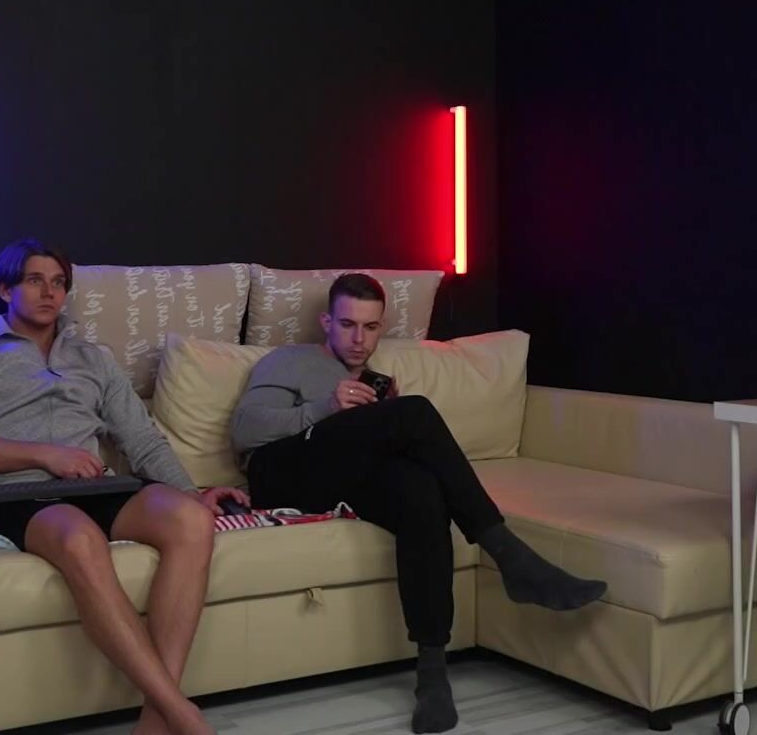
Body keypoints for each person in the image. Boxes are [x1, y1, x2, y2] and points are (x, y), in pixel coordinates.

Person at [230, 273, 606, 734]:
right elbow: (245, 431)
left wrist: (378, 422)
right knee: (415, 412)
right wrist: (325, 408)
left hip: (342, 478)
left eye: (370, 327)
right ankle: (511, 556)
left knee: (421, 492)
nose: (359, 339)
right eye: (347, 324)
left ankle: (432, 674)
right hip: (280, 473)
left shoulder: (373, 379)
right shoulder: (288, 360)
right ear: (327, 321)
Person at [0, 239, 247, 735]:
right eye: (35, 281)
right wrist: (46, 455)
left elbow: (141, 438)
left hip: (97, 489)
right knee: (79, 536)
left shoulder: (92, 358)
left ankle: (156, 721)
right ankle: (184, 715)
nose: (49, 293)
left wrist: (189, 492)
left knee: (191, 520)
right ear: (5, 289)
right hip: (18, 495)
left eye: (59, 283)